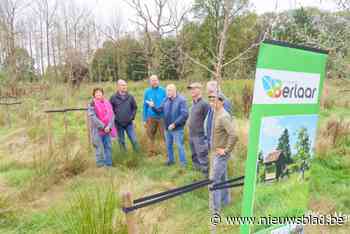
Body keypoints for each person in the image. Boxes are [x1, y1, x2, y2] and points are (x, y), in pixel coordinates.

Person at [208, 92, 238, 213]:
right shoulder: (216, 114)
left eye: (214, 100)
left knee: (214, 181)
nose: (211, 103)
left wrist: (226, 150)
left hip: (221, 155)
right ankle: (226, 201)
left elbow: (234, 135)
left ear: (221, 102)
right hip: (217, 152)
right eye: (210, 100)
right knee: (223, 178)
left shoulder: (223, 116)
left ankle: (215, 210)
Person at [146, 84, 189, 166]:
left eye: (169, 90)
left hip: (177, 128)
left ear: (174, 90)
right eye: (167, 91)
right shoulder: (165, 99)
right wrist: (153, 106)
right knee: (168, 145)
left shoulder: (182, 100)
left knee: (180, 146)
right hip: (167, 128)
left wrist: (175, 124)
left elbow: (184, 115)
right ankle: (171, 161)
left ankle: (183, 163)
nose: (167, 92)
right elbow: (159, 111)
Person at [88, 88, 116, 167]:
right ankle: (100, 166)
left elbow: (112, 115)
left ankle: (109, 165)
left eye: (100, 93)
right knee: (99, 148)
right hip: (98, 130)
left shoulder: (107, 103)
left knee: (108, 147)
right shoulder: (92, 104)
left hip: (108, 130)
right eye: (96, 93)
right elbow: (93, 117)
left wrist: (109, 126)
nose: (98, 94)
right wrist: (103, 127)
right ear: (94, 95)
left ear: (102, 94)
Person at [187, 82, 210, 176]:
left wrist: (205, 136)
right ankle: (197, 175)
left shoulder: (204, 104)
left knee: (202, 156)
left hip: (200, 136)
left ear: (199, 90)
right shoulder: (193, 104)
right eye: (190, 89)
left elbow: (208, 121)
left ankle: (206, 176)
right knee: (194, 156)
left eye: (193, 89)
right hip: (191, 135)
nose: (191, 91)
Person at [110, 79, 139, 152]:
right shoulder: (113, 97)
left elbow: (134, 107)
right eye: (123, 85)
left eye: (125, 85)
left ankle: (138, 155)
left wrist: (132, 117)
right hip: (118, 124)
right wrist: (115, 119)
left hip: (129, 123)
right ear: (118, 86)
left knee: (134, 140)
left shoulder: (130, 97)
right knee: (121, 141)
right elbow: (110, 110)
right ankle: (124, 157)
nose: (124, 87)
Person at [143, 75, 167, 156]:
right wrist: (144, 119)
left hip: (162, 117)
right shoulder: (147, 92)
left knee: (164, 136)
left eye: (156, 80)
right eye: (152, 80)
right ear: (150, 82)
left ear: (158, 80)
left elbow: (167, 103)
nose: (154, 82)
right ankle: (151, 152)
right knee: (150, 135)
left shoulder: (163, 90)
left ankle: (166, 153)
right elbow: (145, 106)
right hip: (150, 117)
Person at [205, 80, 232, 149]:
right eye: (208, 91)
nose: (208, 94)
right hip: (211, 136)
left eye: (210, 91)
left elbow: (225, 120)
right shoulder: (212, 100)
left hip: (219, 139)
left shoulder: (225, 101)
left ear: (216, 90)